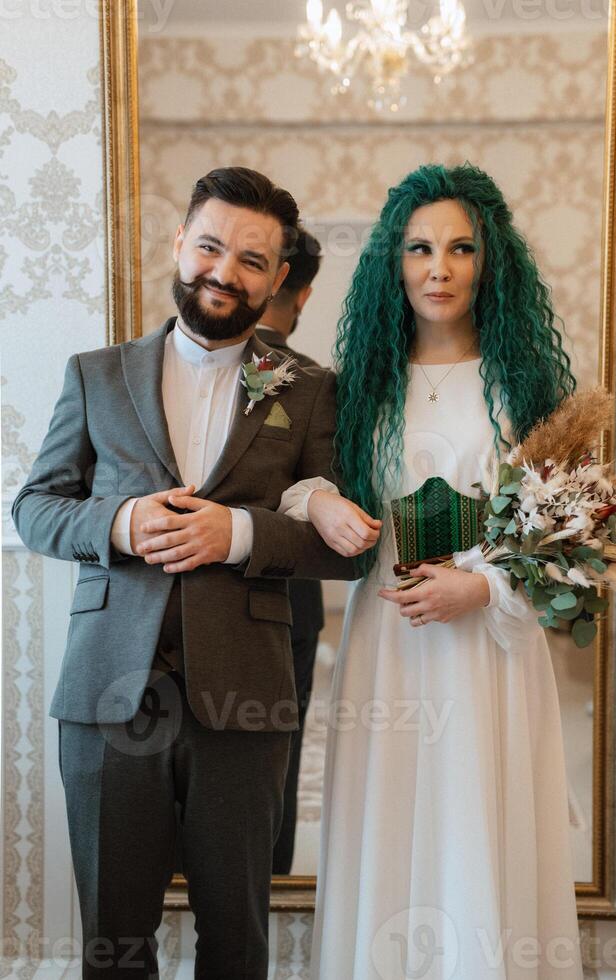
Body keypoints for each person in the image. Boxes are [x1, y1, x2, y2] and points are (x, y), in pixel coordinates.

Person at [11, 167, 375, 980]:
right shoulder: (93, 375)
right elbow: (34, 509)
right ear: (180, 244)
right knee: (113, 942)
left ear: (279, 278)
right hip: (107, 696)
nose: (224, 271)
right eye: (209, 246)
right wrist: (118, 521)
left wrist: (241, 533)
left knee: (238, 944)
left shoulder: (313, 391)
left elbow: (344, 547)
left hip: (244, 704)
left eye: (252, 260)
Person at [281, 163, 585, 979]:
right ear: (394, 262)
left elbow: (567, 539)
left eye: (459, 248)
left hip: (488, 652)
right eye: (419, 249)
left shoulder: (527, 391)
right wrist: (316, 501)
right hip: (389, 646)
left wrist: (482, 584)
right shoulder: (361, 394)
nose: (439, 268)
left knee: (477, 826)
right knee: (390, 821)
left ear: (490, 262)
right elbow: (305, 482)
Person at [256, 228, 327, 874]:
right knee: (280, 756)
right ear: (300, 293)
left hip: (287, 607)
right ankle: (270, 879)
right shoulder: (317, 385)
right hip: (293, 604)